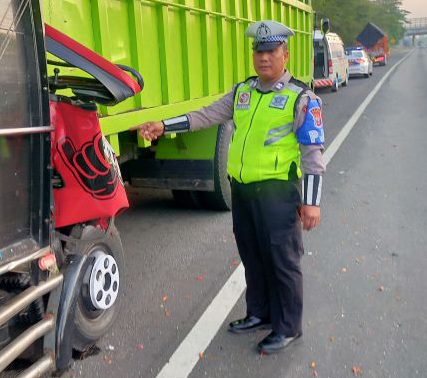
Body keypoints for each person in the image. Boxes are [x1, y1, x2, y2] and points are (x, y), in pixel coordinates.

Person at [136, 20, 325, 354]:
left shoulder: (302, 98)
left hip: (278, 193)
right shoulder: (243, 92)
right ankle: (260, 313)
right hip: (243, 190)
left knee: (282, 259)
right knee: (252, 255)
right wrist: (163, 126)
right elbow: (205, 115)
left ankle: (288, 326)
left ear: (285, 54)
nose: (263, 57)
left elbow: (312, 153)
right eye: (258, 50)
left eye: (271, 51)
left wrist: (311, 202)